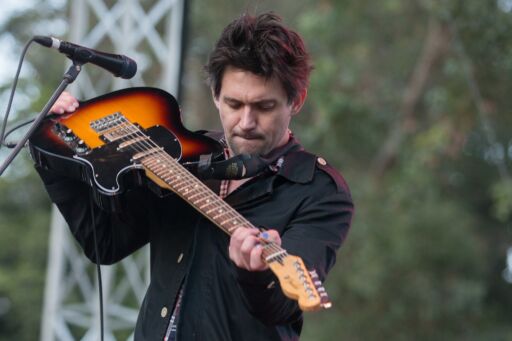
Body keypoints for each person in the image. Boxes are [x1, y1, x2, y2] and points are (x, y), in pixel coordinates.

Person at [35, 12, 353, 341]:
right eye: (233, 103)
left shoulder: (319, 189)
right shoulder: (183, 154)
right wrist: (48, 147)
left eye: (264, 106)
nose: (245, 121)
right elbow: (106, 243)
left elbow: (282, 307)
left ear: (295, 101)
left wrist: (256, 274)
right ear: (216, 96)